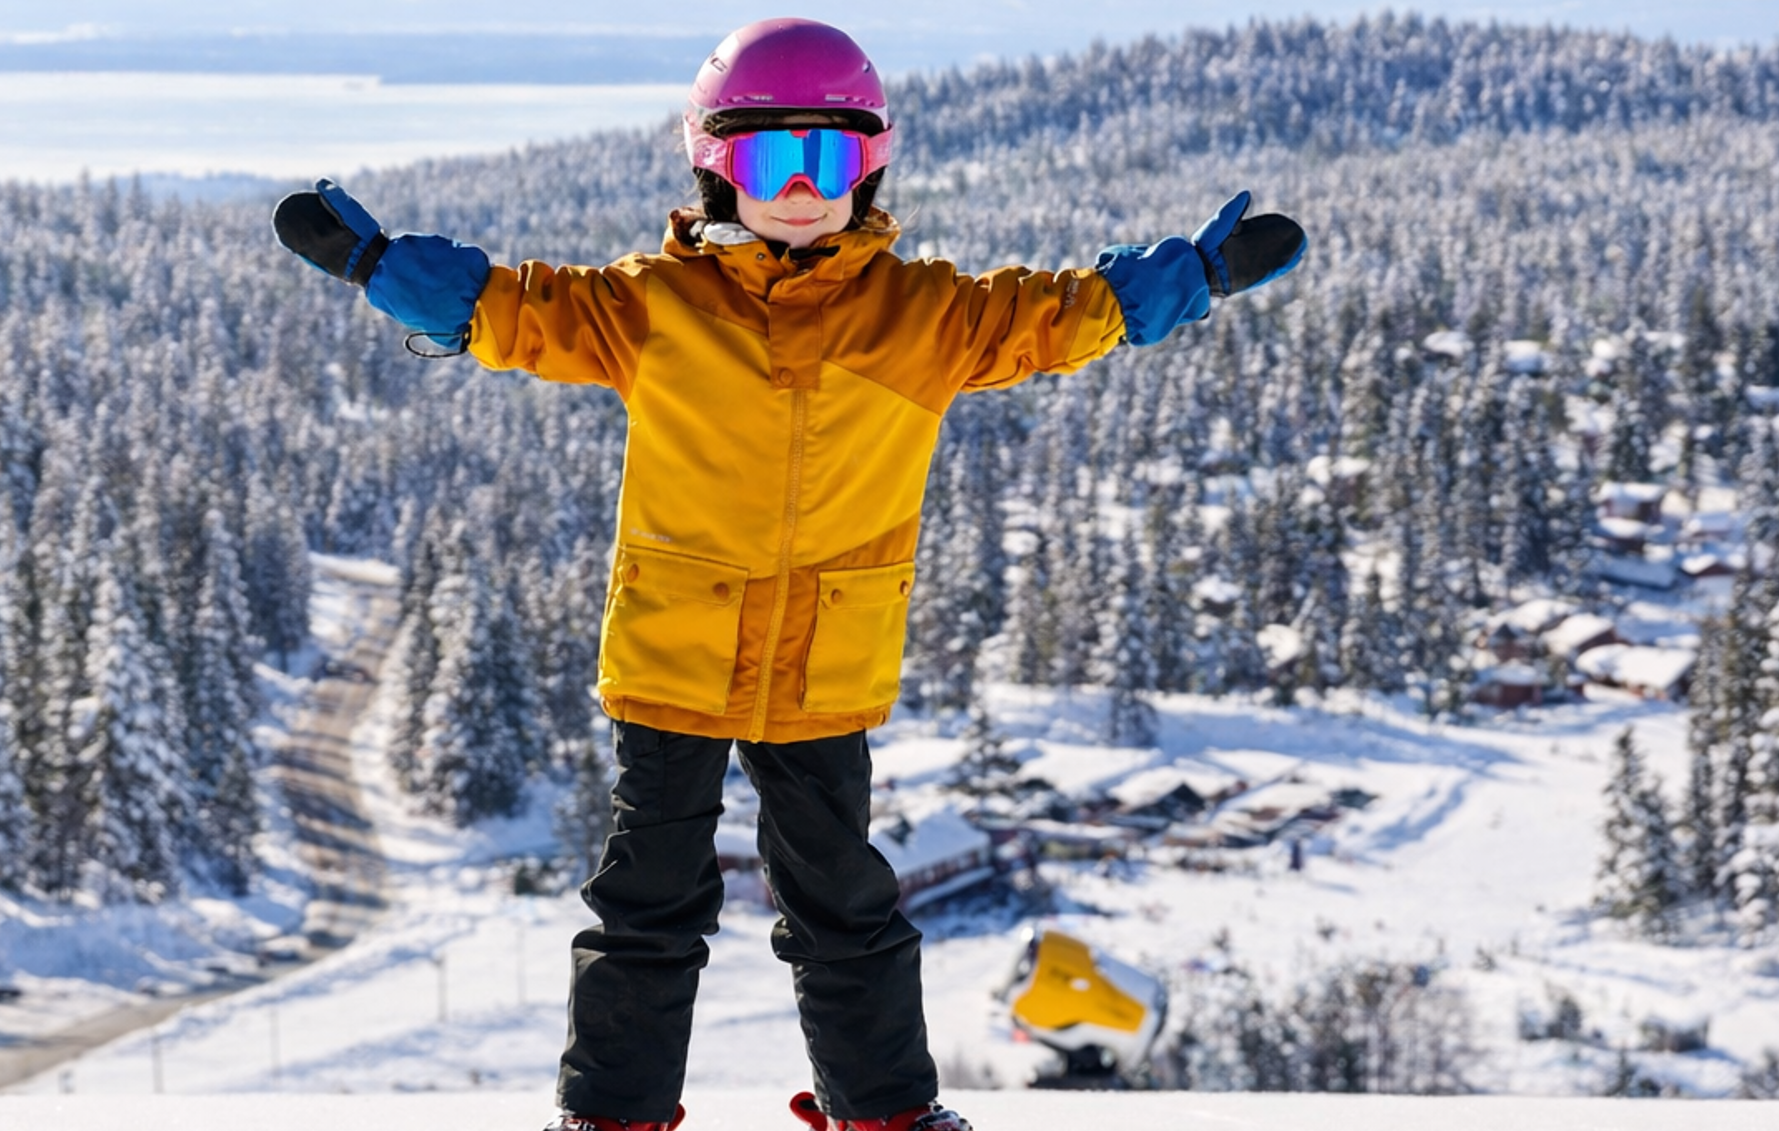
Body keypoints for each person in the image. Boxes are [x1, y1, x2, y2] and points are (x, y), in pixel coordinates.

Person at [274, 17, 1304, 1131]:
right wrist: (383, 268)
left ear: (872, 167)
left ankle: (886, 1110)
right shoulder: (653, 306)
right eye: (775, 159)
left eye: (834, 156)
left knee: (845, 900)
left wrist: (1192, 277)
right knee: (647, 898)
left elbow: (1061, 315)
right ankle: (613, 1113)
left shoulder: (926, 317)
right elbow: (519, 310)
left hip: (824, 657)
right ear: (718, 166)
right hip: (677, 651)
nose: (806, 188)